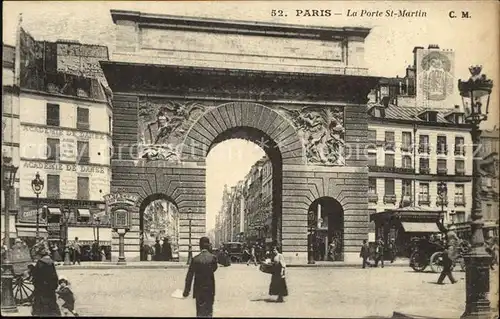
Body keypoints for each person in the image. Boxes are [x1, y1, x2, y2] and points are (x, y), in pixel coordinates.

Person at [183, 237, 218, 318]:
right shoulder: (213, 258)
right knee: (209, 311)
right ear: (208, 246)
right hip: (210, 290)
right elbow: (214, 269)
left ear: (200, 246)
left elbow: (189, 277)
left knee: (200, 312)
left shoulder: (195, 259)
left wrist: (186, 291)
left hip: (199, 290)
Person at [31, 244, 61, 316]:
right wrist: (55, 285)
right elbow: (54, 276)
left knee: (40, 302)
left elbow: (36, 276)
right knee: (51, 301)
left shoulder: (40, 263)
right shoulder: (51, 262)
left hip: (41, 288)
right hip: (50, 287)